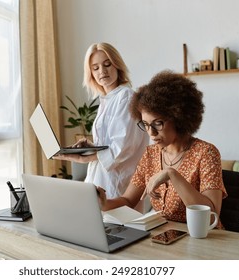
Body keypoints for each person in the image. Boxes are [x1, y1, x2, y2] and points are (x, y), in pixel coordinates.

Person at [97, 70, 227, 226]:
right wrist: (104, 203)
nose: (151, 133)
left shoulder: (206, 153)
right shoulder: (150, 155)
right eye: (145, 125)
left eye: (158, 123)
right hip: (166, 238)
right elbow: (127, 200)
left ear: (178, 117)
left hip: (203, 240)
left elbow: (211, 215)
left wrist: (171, 174)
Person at [54, 42, 149, 199]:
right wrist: (92, 148)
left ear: (117, 66)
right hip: (101, 181)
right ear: (90, 72)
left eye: (107, 64)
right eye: (95, 68)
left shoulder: (126, 97)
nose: (102, 71)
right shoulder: (107, 100)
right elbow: (112, 144)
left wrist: (83, 157)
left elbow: (122, 148)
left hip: (117, 186)